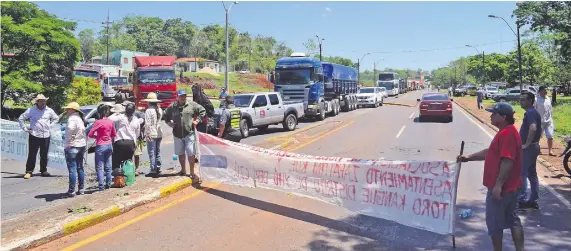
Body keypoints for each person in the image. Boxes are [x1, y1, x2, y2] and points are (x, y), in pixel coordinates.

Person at [458, 102, 524, 251]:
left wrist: (498, 185)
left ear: (504, 117)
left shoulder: (507, 134)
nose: (491, 116)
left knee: (495, 224)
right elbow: (491, 152)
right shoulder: (506, 132)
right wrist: (469, 157)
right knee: (513, 220)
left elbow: (507, 161)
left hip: (502, 189)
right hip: (511, 186)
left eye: (494, 113)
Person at [163, 90, 206, 184]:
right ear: (177, 97)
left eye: (184, 96)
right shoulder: (172, 107)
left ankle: (192, 172)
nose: (183, 97)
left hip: (189, 133)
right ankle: (183, 170)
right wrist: (170, 124)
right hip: (177, 134)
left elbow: (202, 110)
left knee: (191, 153)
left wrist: (197, 121)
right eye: (181, 96)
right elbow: (165, 115)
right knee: (180, 153)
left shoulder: (191, 105)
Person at [18, 94, 59, 179]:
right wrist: (24, 128)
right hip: (34, 135)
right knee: (32, 154)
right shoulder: (31, 110)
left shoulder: (49, 110)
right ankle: (29, 171)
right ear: (37, 102)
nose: (43, 102)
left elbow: (56, 118)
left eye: (44, 100)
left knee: (44, 154)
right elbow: (21, 118)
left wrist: (51, 126)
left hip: (46, 135)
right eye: (41, 101)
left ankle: (43, 170)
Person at [518, 92, 541, 210]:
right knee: (532, 174)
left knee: (522, 173)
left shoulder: (531, 113)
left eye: (523, 100)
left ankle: (521, 200)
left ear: (530, 100)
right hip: (534, 147)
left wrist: (526, 144)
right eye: (520, 99)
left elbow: (533, 128)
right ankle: (533, 200)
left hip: (529, 148)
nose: (520, 101)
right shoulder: (532, 112)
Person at [88, 104, 116, 191]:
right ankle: (108, 184)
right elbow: (114, 134)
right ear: (107, 112)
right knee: (108, 166)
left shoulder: (98, 122)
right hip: (109, 145)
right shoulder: (110, 122)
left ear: (99, 112)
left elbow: (90, 134)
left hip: (100, 145)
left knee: (99, 167)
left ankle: (101, 186)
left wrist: (97, 137)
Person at [62, 102, 88, 197]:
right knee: (79, 167)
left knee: (72, 169)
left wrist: (69, 140)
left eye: (68, 109)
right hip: (81, 145)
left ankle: (71, 191)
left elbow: (70, 129)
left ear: (73, 110)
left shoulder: (72, 118)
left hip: (72, 145)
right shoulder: (79, 119)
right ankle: (81, 189)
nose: (66, 110)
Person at [109, 103, 140, 172]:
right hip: (131, 143)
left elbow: (110, 118)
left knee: (116, 161)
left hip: (119, 142)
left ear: (125, 110)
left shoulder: (121, 117)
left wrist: (116, 113)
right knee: (128, 161)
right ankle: (127, 177)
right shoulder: (136, 120)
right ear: (134, 111)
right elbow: (137, 134)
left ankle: (117, 177)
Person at [142, 93, 163, 176]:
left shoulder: (148, 111)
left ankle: (153, 170)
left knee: (151, 152)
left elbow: (147, 124)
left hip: (151, 133)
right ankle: (158, 167)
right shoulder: (160, 110)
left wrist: (146, 133)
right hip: (159, 133)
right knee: (157, 151)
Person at [535, 86, 555, 156]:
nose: (545, 92)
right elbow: (534, 110)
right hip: (540, 121)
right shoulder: (536, 99)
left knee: (550, 135)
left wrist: (551, 118)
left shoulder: (548, 98)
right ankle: (538, 150)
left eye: (546, 90)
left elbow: (550, 109)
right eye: (544, 90)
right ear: (540, 91)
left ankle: (550, 151)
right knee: (538, 136)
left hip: (549, 120)